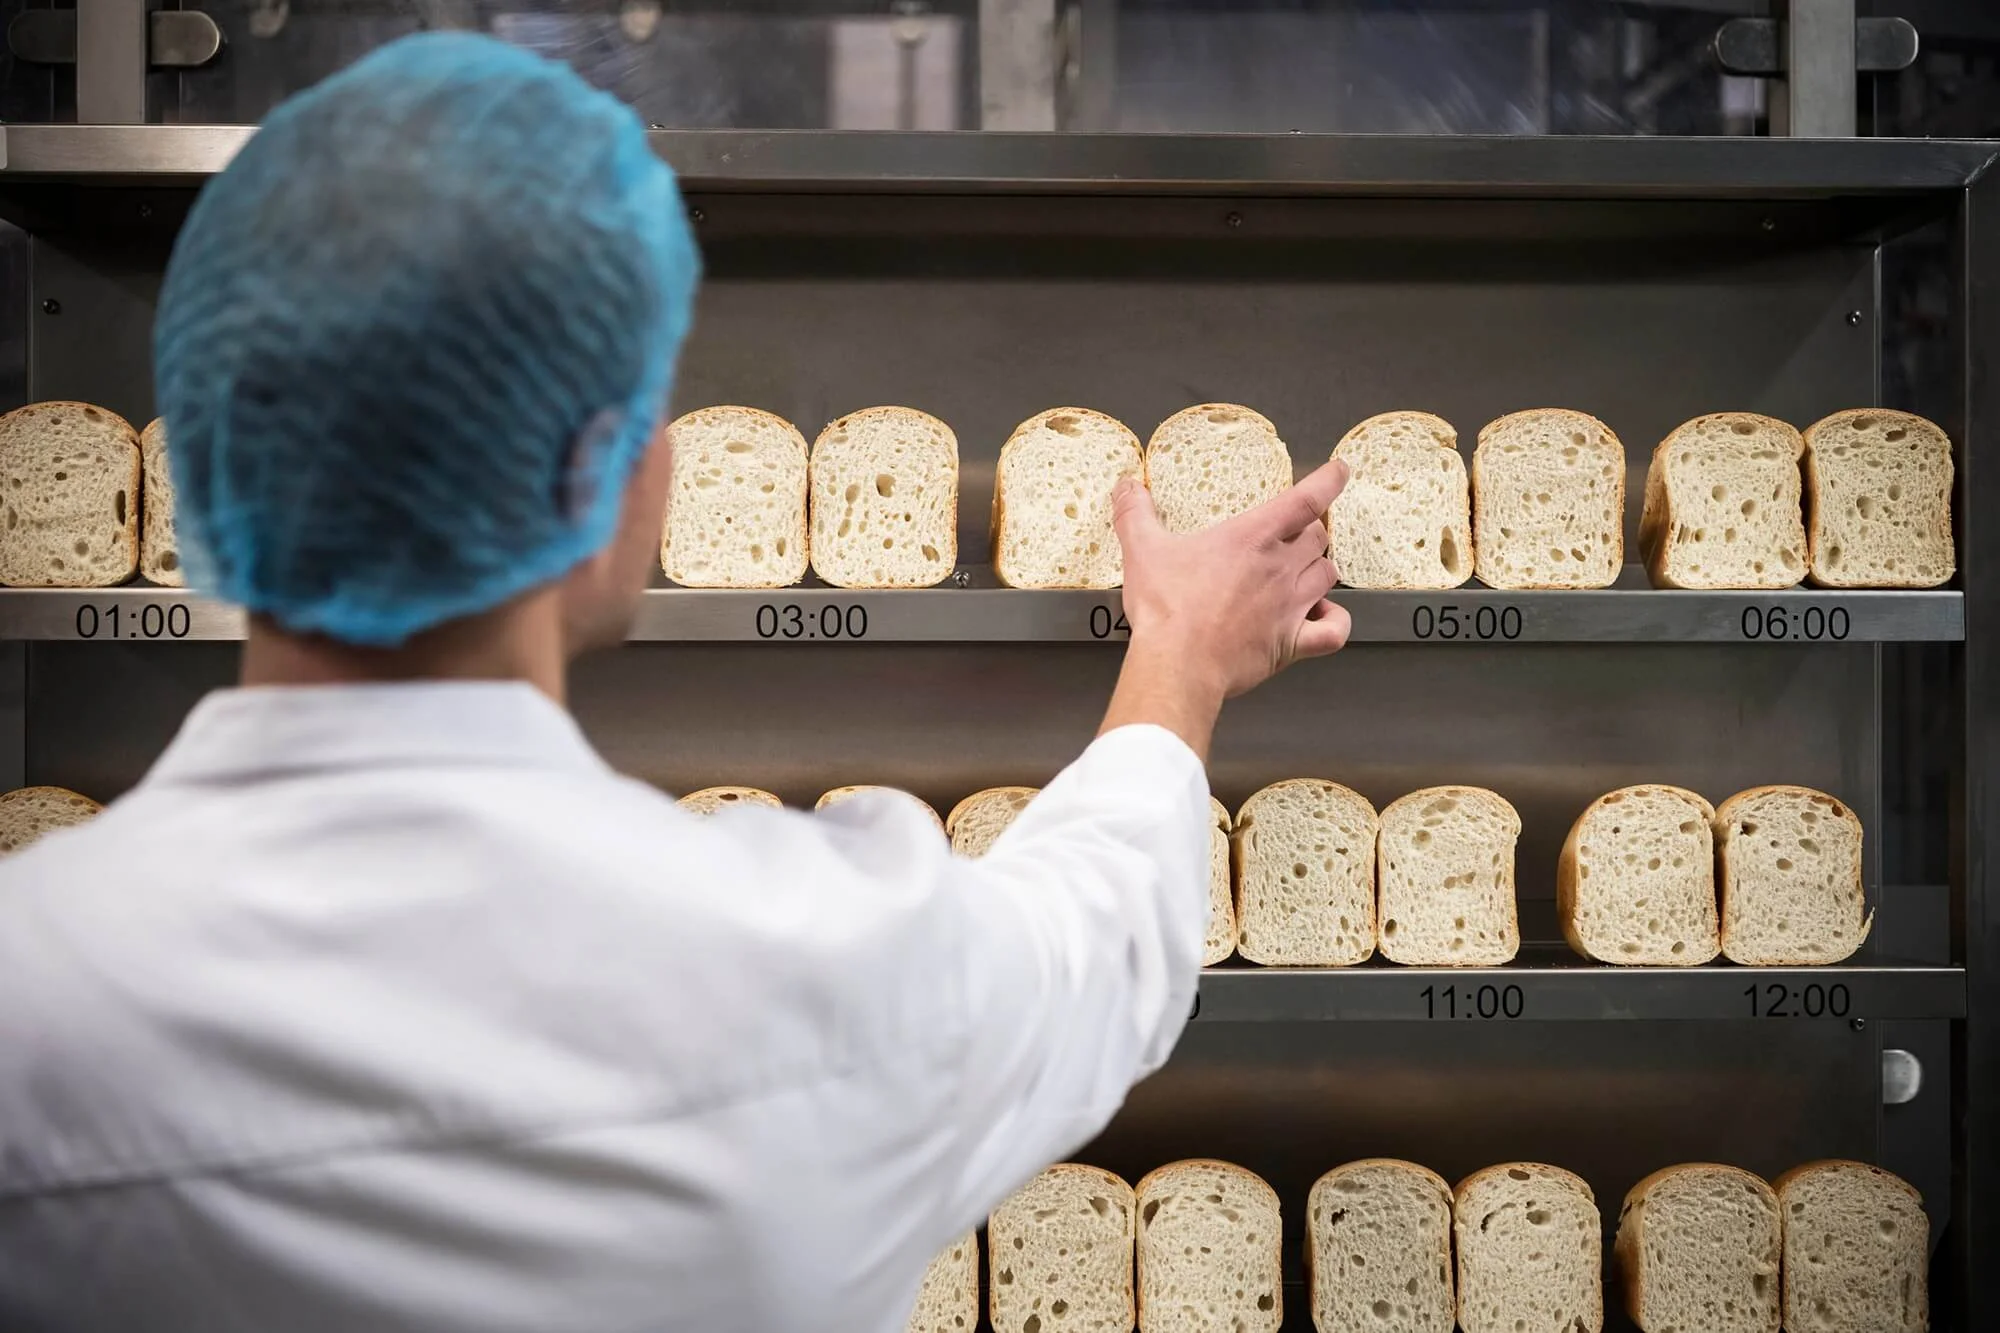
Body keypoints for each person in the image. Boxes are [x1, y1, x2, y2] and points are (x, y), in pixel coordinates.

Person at [0, 33, 1350, 1333]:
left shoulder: (31, 986)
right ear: (602, 475)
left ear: (211, 468)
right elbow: (1094, 937)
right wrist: (1180, 652)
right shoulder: (823, 971)